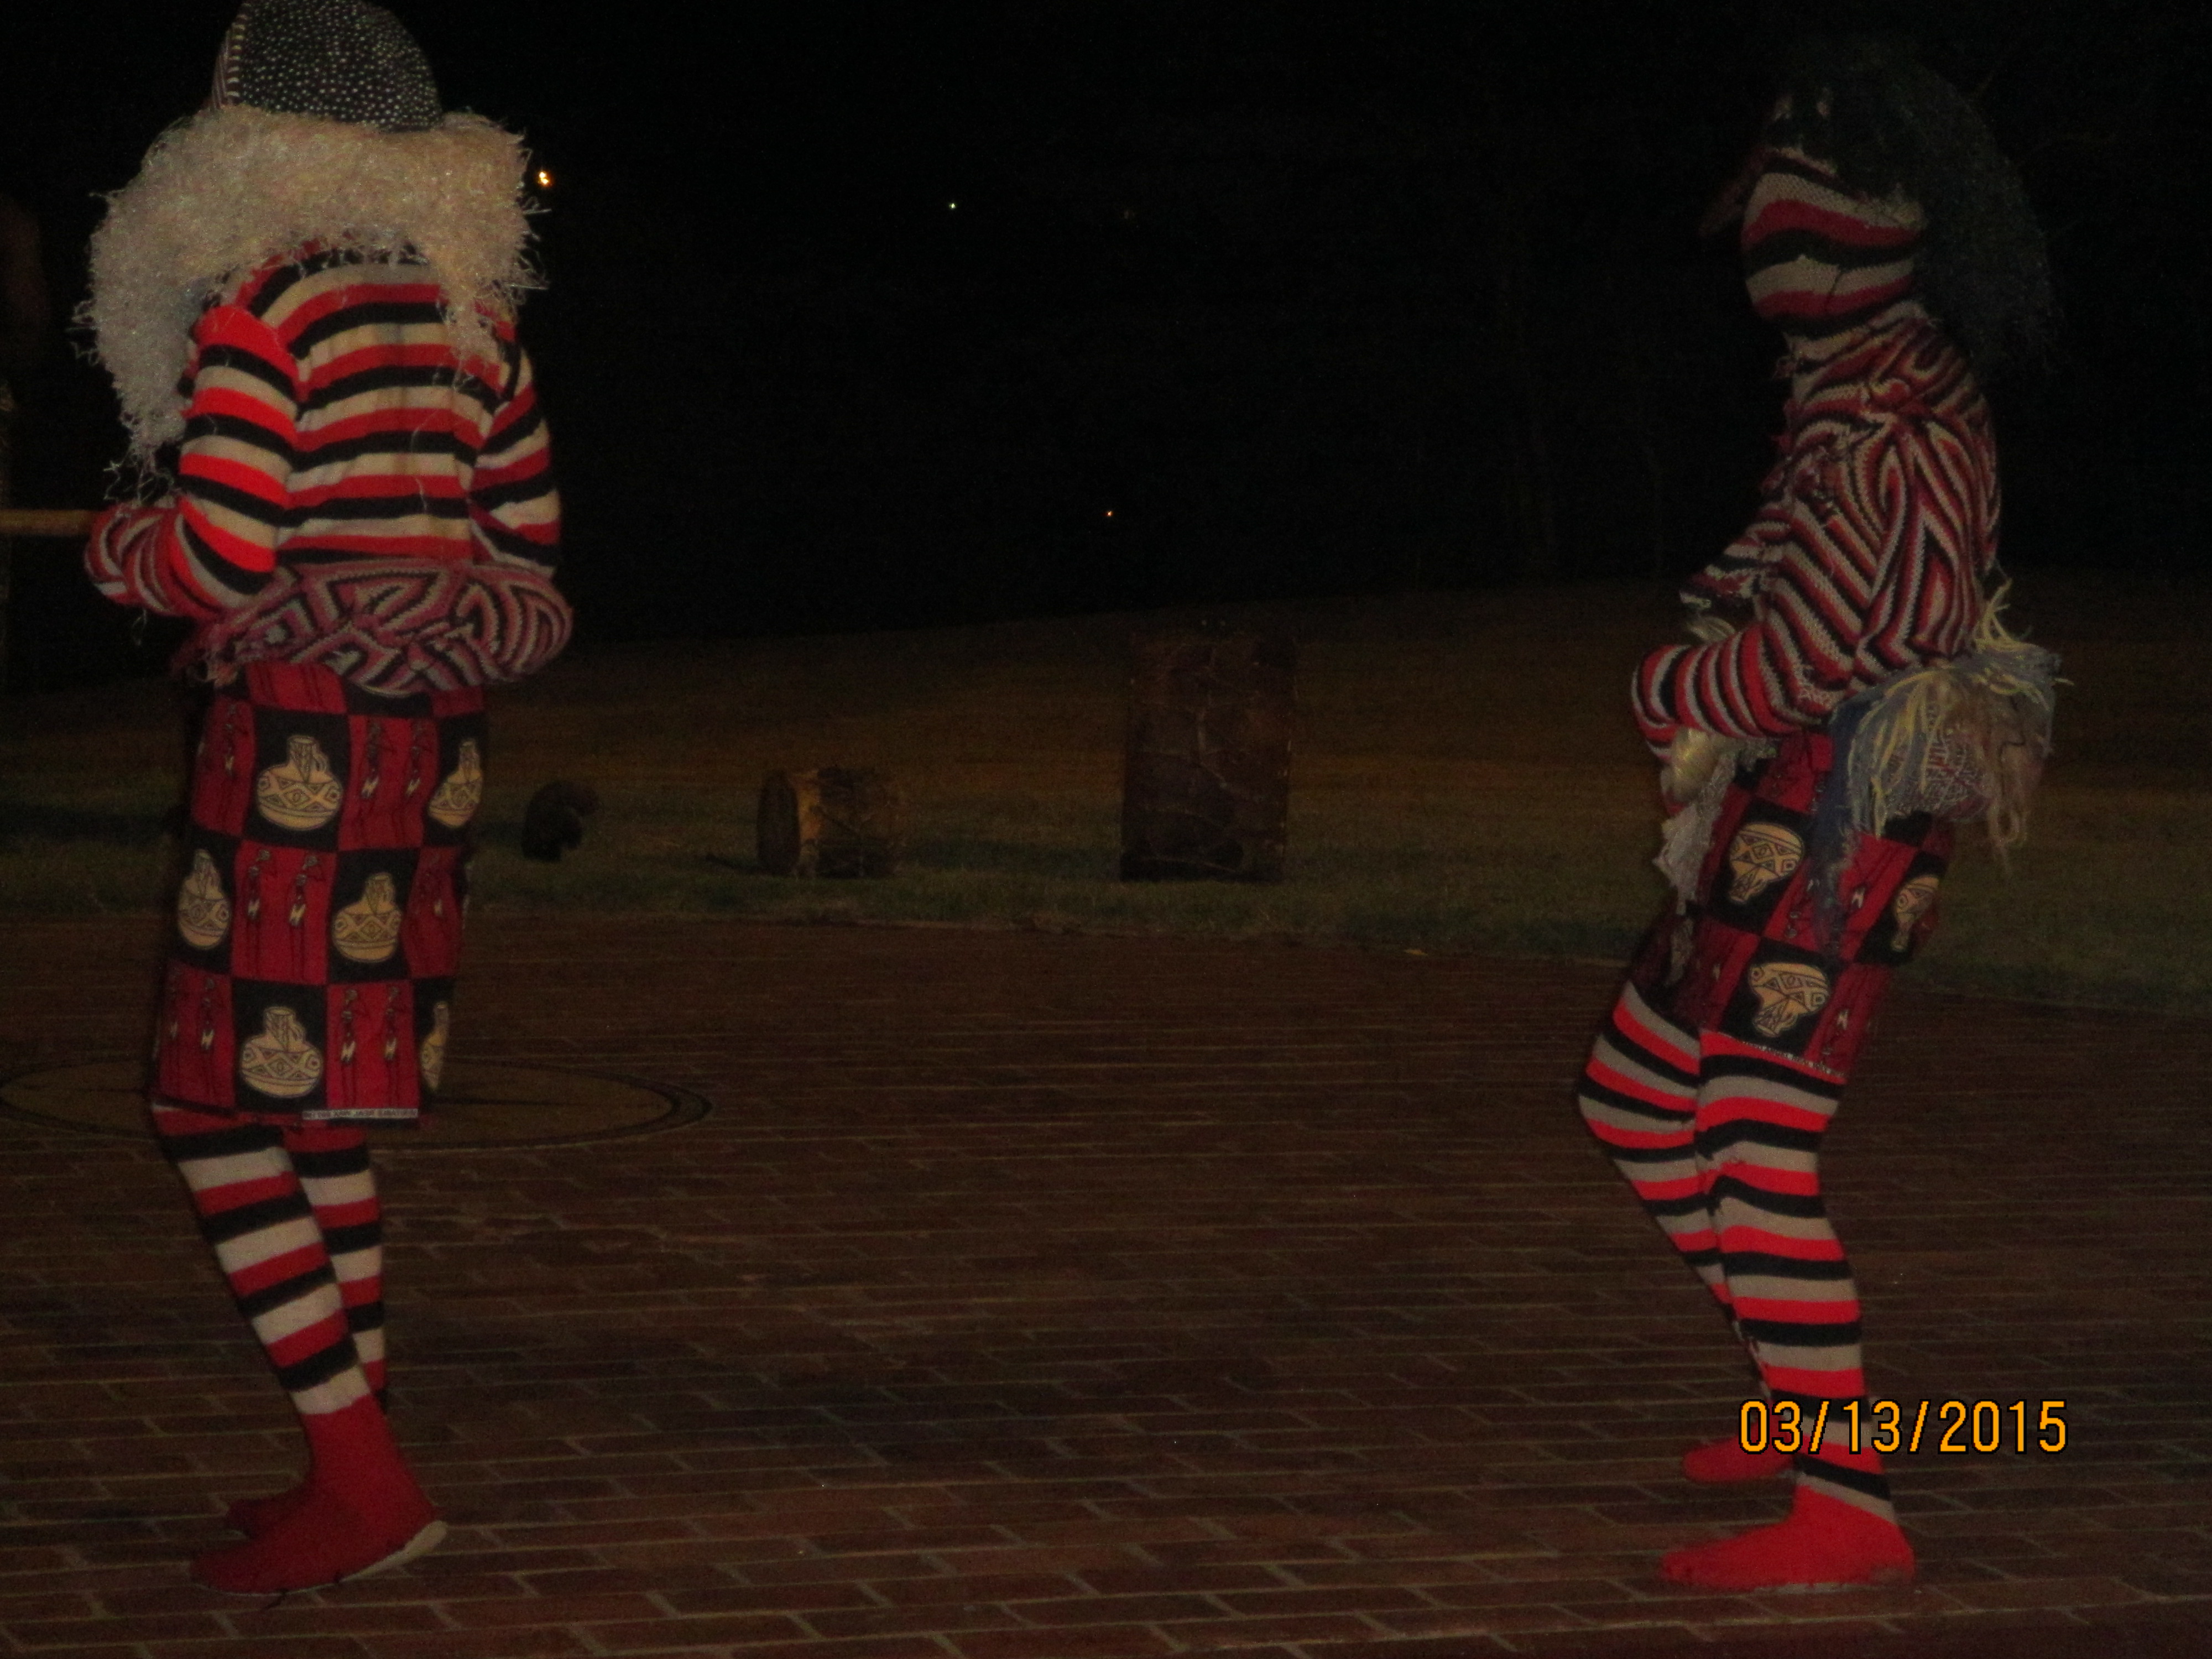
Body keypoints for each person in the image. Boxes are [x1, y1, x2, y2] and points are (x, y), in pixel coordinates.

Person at [80, 0, 567, 1594]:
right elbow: (526, 553)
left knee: (209, 1107)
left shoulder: (270, 303)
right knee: (316, 1106)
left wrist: (119, 552)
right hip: (428, 744)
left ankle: (365, 1482)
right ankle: (350, 1463)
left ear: (246, 145)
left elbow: (221, 552)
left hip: (298, 737)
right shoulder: (473, 319)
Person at [1575, 34, 2054, 1592]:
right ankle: (1807, 1414)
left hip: (1853, 800)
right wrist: (1717, 672)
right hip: (1789, 793)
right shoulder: (1854, 391)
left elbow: (1821, 647)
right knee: (1638, 1095)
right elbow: (1788, 586)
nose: (1777, 229)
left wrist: (1675, 689)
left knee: (1748, 1129)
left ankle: (1850, 1508)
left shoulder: (1893, 414)